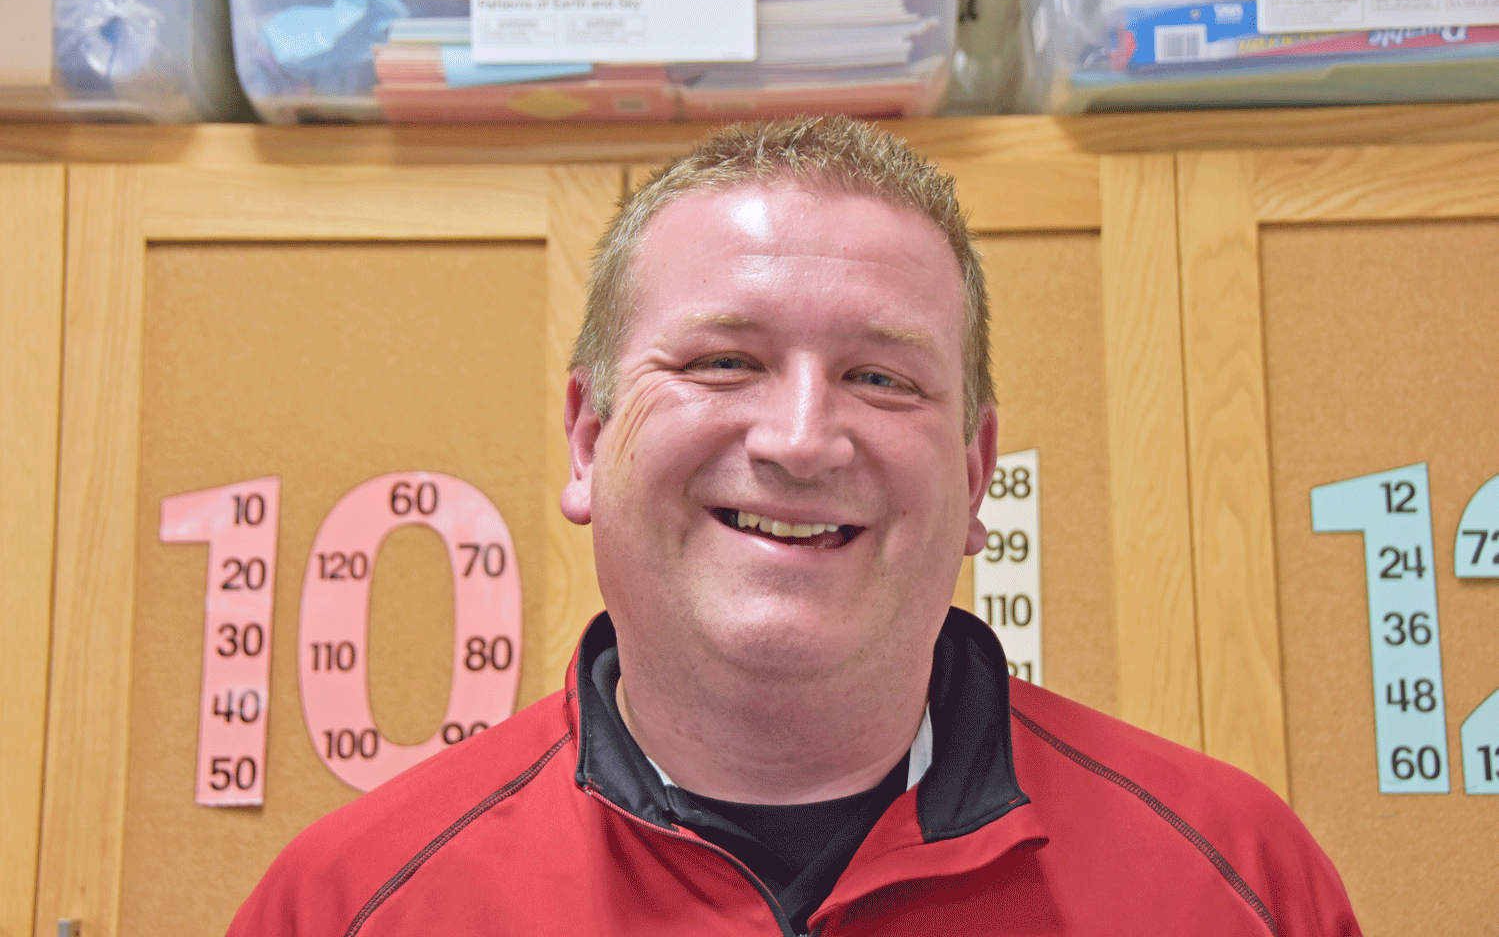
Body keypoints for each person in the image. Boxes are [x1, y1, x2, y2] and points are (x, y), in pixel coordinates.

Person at [227, 117, 1361, 936]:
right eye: (725, 361)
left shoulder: (1237, 885)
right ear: (586, 438)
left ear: (973, 477)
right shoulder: (345, 904)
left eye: (878, 376)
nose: (803, 438)